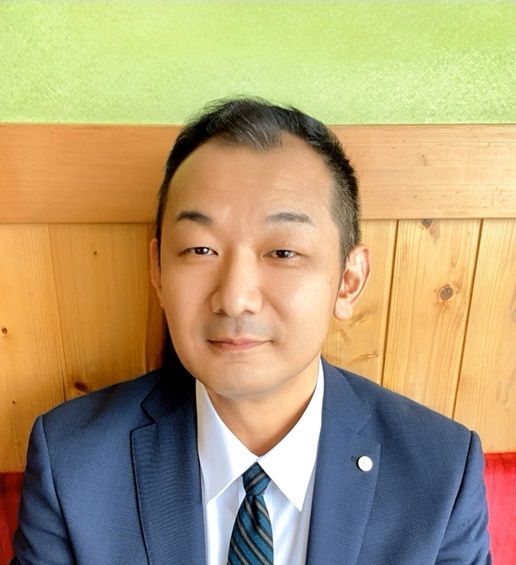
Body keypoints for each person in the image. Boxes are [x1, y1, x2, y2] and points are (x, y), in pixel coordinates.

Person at [13, 98, 491, 564]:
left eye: (283, 252)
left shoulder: (441, 474)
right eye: (200, 249)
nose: (235, 297)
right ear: (157, 270)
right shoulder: (73, 464)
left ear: (348, 281)